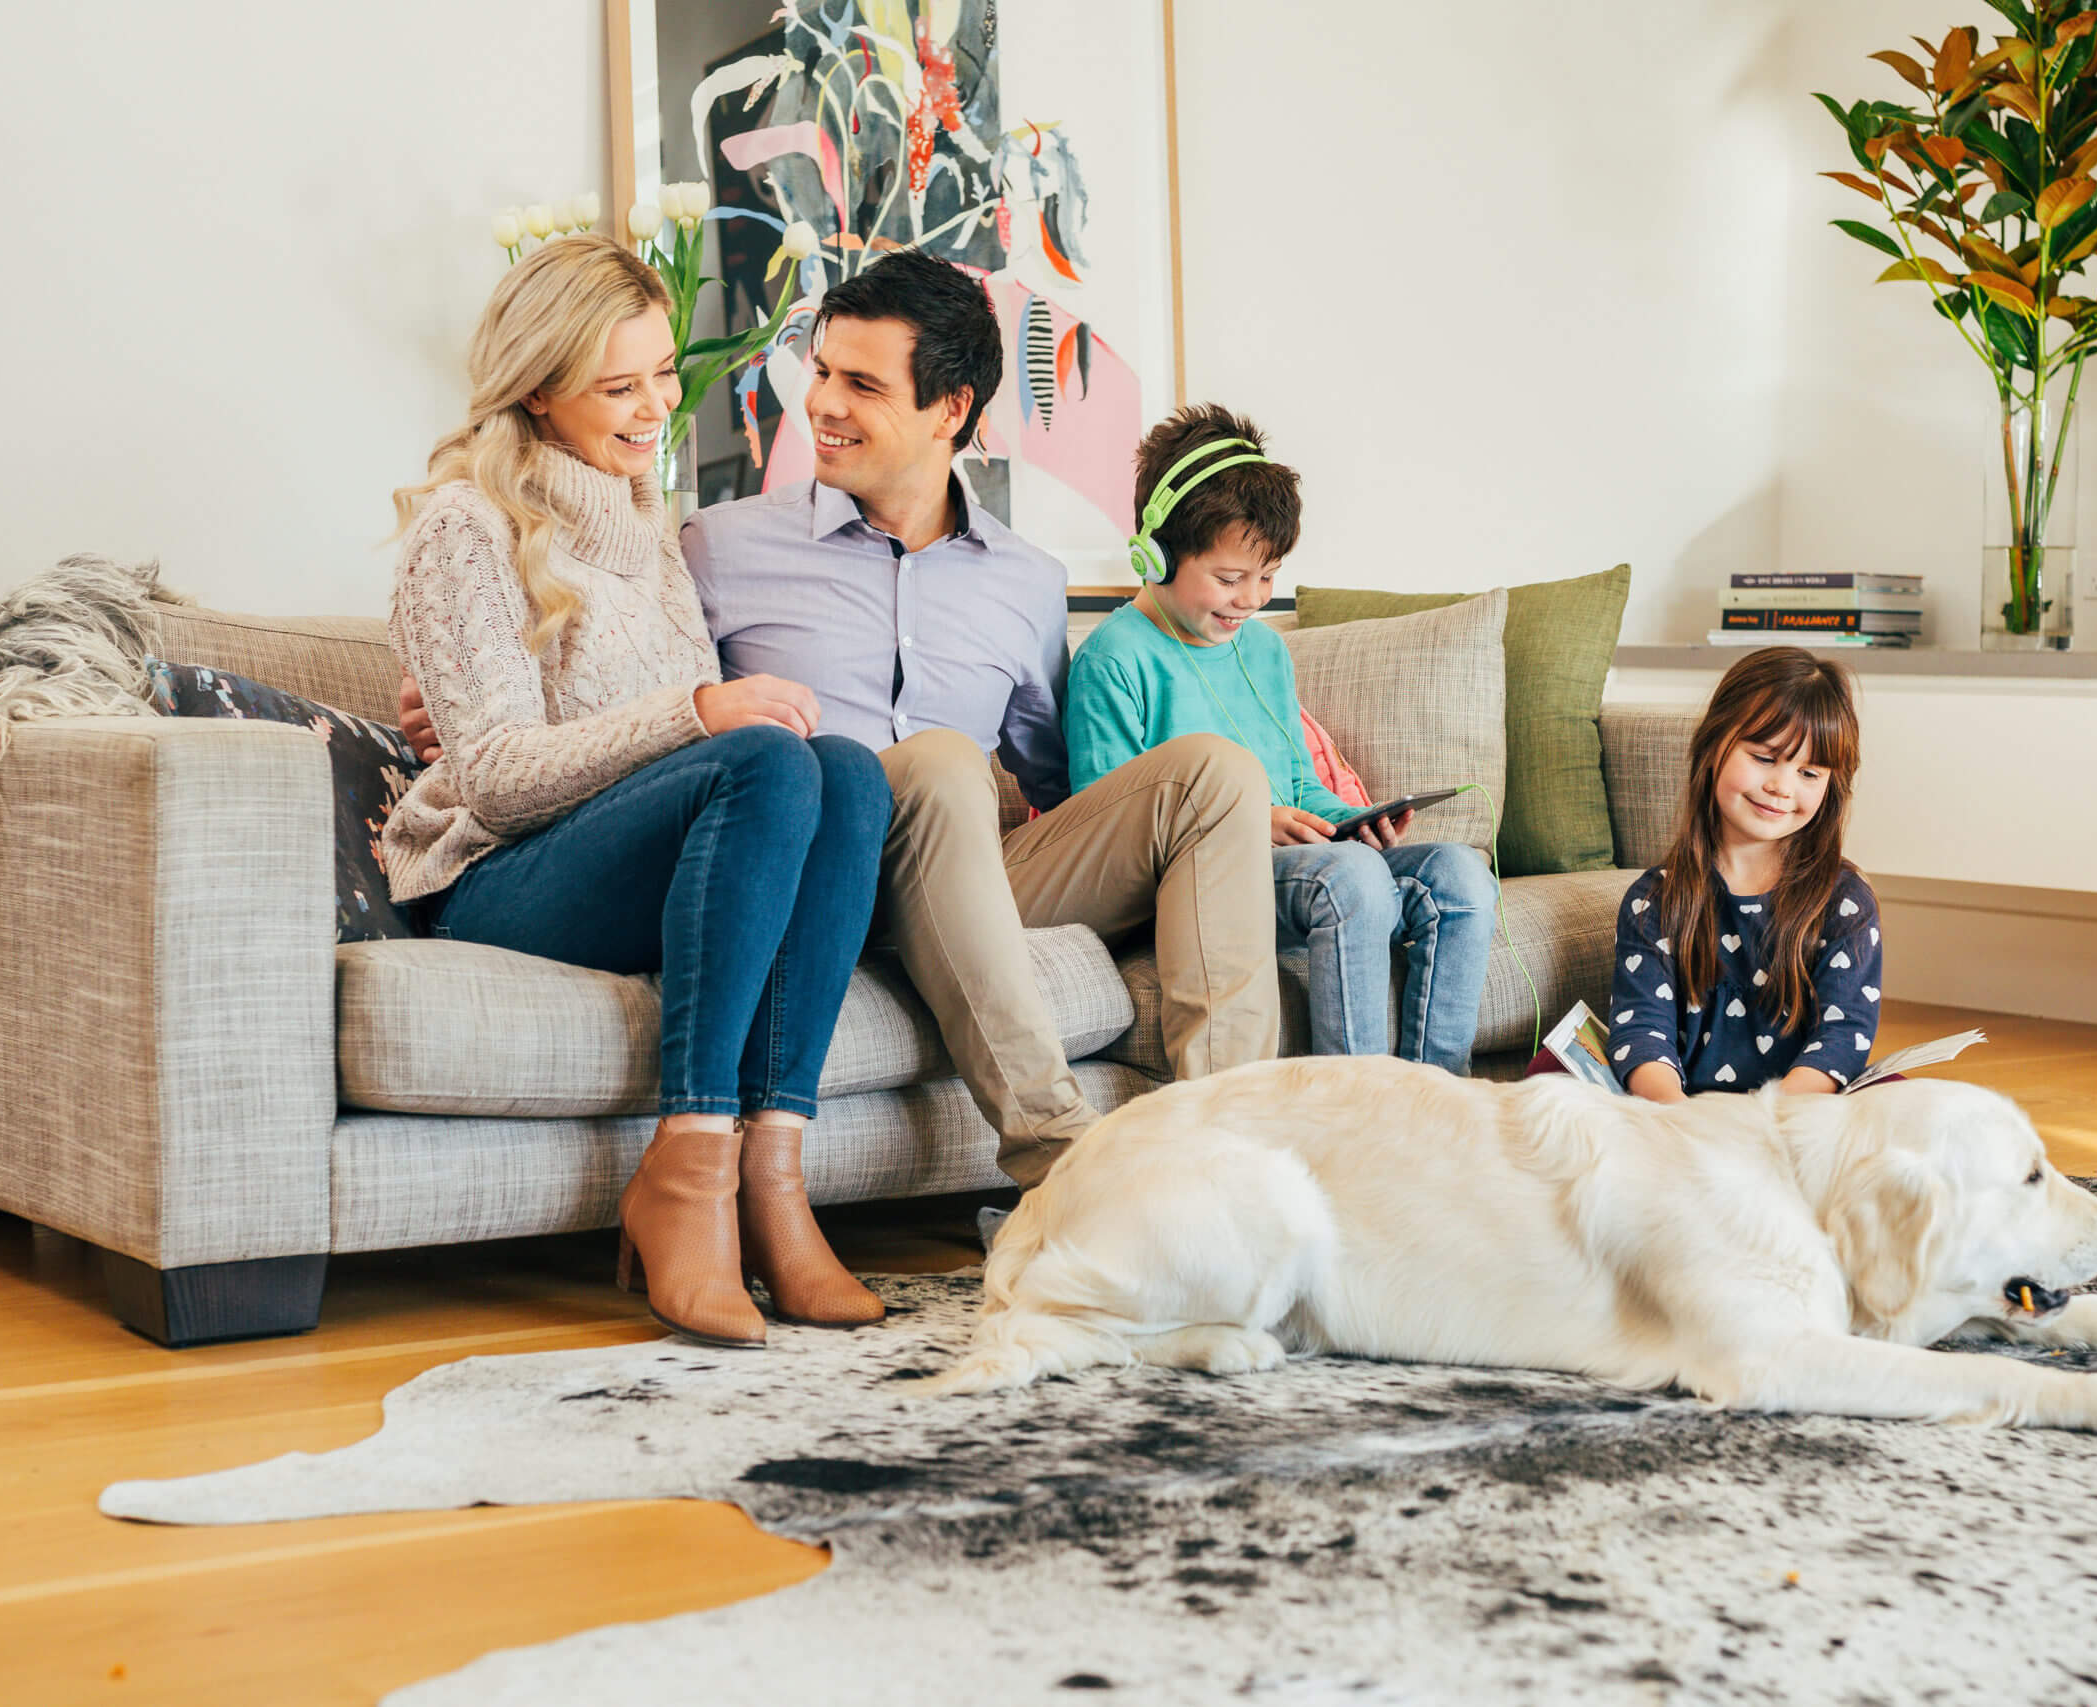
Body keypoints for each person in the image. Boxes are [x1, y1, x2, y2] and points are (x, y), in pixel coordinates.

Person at [383, 233, 890, 1349]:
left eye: (662, 374)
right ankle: (688, 1168)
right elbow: (499, 781)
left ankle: (772, 1174)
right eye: (618, 386)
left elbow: (692, 774)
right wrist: (694, 715)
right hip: (499, 877)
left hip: (623, 868)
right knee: (757, 753)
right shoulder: (465, 527)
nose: (655, 405)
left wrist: (705, 725)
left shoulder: (648, 532)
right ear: (535, 389)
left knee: (849, 774)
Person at [676, 251, 1280, 1187]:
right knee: (944, 761)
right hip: (814, 878)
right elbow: (655, 722)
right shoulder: (720, 549)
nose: (823, 404)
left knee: (1214, 772)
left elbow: (1060, 783)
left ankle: (1230, 1160)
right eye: (823, 372)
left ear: (951, 409)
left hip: (970, 879)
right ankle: (1064, 1163)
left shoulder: (1027, 581)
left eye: (862, 384)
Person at [1065, 405, 1498, 1072]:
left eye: (1267, 577)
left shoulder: (1265, 652)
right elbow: (1108, 841)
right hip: (1197, 884)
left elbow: (1298, 785)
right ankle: (1350, 1112)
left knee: (1459, 873)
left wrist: (1352, 821)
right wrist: (1248, 825)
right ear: (1157, 554)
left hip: (1299, 867)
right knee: (1351, 879)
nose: (1252, 600)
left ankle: (1436, 1103)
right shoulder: (1114, 660)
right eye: (1230, 578)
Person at [1610, 645, 1879, 1101]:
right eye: (1765, 757)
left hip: (1794, 1116)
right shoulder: (1653, 899)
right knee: (1554, 1074)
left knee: (1900, 1099)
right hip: (1681, 1117)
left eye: (1810, 773)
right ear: (1716, 743)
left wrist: (1765, 1124)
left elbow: (1842, 1038)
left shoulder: (1845, 901)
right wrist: (1684, 1121)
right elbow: (1641, 1030)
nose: (1781, 787)